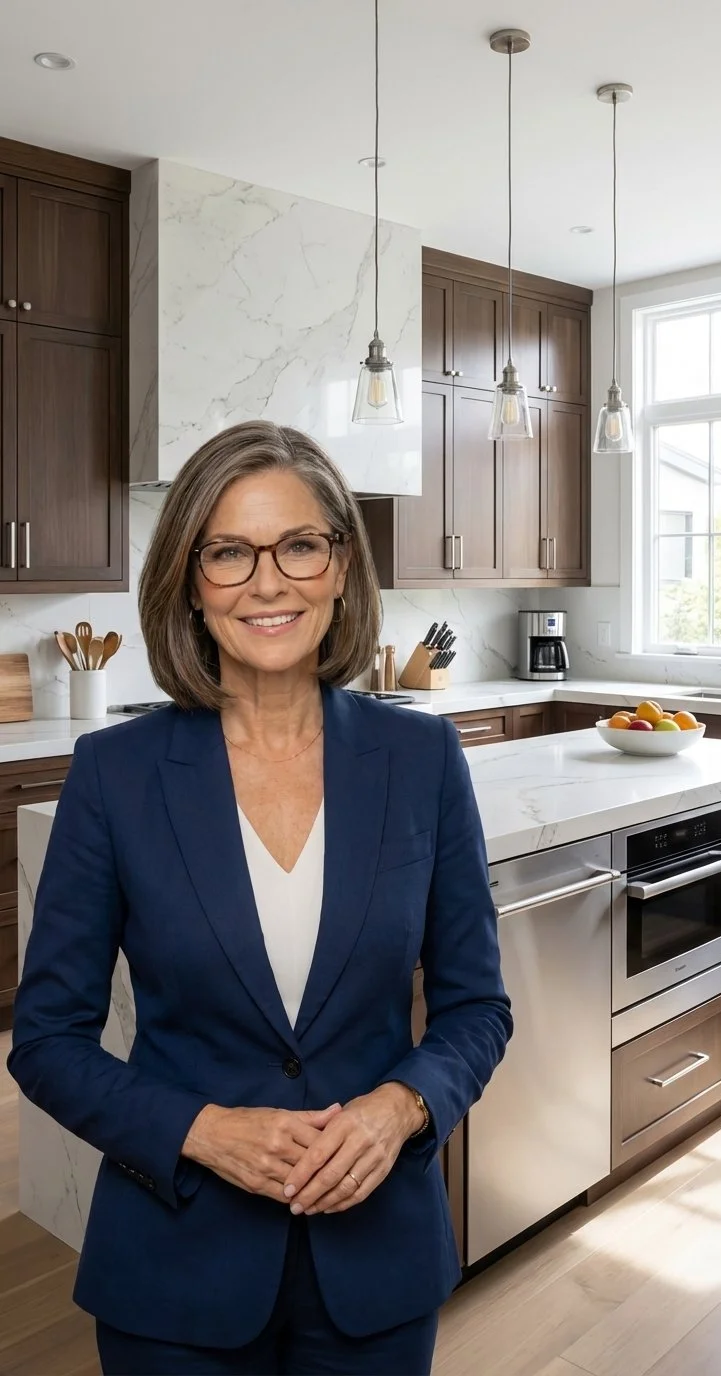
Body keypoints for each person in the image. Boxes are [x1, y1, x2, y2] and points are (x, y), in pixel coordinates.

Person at [9, 421, 512, 1376]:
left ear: (339, 565)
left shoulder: (423, 761)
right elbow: (46, 1043)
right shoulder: (114, 774)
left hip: (378, 1267)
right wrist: (201, 1131)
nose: (268, 581)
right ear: (190, 582)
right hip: (175, 1267)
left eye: (299, 544)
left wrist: (401, 1106)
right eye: (230, 552)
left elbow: (476, 1008)